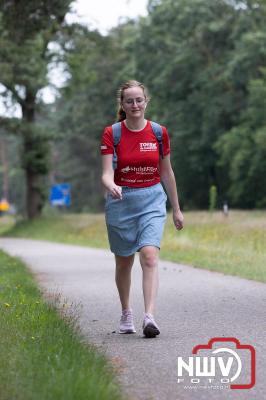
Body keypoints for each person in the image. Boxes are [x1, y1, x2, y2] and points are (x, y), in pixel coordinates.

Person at [101, 80, 184, 338]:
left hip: (152, 199)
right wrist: (112, 185)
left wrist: (177, 209)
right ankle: (127, 313)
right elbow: (105, 174)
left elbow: (167, 172)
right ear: (122, 106)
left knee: (149, 255)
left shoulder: (159, 132)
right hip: (122, 201)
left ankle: (149, 316)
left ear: (146, 101)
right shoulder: (112, 133)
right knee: (124, 262)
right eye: (129, 101)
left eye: (139, 100)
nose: (135, 105)